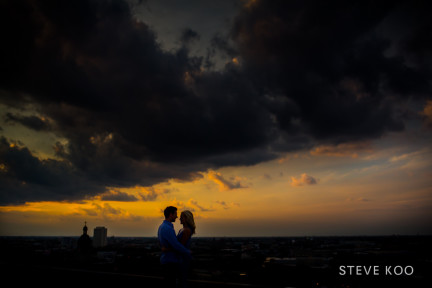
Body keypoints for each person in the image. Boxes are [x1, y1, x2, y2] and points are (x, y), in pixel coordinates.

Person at [158, 206, 191, 288]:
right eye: (175, 214)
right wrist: (188, 252)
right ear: (170, 214)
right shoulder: (167, 228)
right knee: (171, 284)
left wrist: (166, 249)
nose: (177, 217)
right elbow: (176, 245)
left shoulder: (162, 227)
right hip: (170, 261)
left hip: (167, 260)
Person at [177, 210, 196, 288]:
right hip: (181, 257)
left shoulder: (187, 230)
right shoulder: (182, 230)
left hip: (183, 258)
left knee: (182, 280)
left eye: (181, 217)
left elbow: (180, 246)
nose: (180, 218)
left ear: (187, 218)